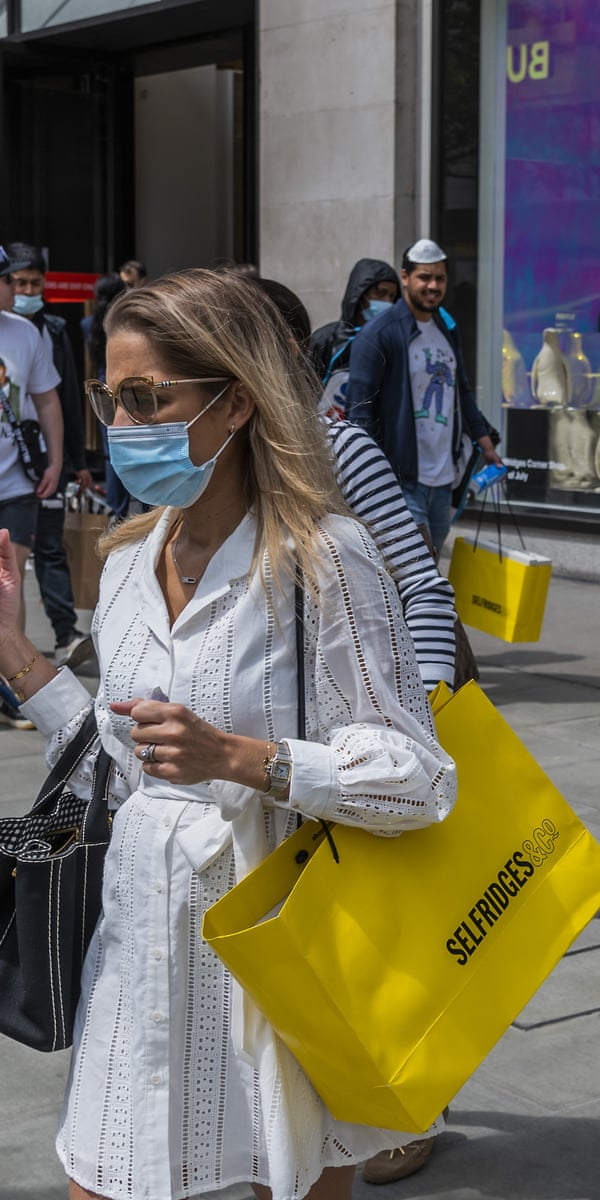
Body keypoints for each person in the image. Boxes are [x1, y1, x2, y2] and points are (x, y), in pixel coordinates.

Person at [0, 268, 456, 1200]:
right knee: (101, 1175)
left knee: (281, 1177)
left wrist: (246, 760)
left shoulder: (327, 559)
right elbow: (117, 760)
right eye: (109, 399)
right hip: (135, 943)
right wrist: (15, 657)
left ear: (236, 401)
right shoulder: (127, 560)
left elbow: (421, 779)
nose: (120, 428)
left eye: (146, 399)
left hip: (271, 953)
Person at [258, 276, 458, 692]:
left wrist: (425, 708)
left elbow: (420, 585)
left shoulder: (441, 332)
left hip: (409, 472)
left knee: (409, 555)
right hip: (397, 467)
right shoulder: (375, 337)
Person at [347, 239, 502, 555]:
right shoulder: (379, 334)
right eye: (424, 278)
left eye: (440, 278)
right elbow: (359, 415)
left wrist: (485, 441)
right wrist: (375, 479)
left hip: (443, 479)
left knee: (430, 567)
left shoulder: (446, 328)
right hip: (400, 481)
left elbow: (461, 391)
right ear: (405, 277)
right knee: (414, 572)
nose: (433, 286)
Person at [7, 242, 94, 667]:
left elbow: (57, 402)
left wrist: (68, 461)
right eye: (14, 282)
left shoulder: (43, 332)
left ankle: (39, 656)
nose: (21, 290)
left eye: (28, 283)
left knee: (28, 563)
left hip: (29, 470)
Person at [0, 244, 63, 728]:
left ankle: (12, 687)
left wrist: (57, 460)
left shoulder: (24, 334)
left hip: (16, 480)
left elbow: (46, 402)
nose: (12, 289)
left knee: (10, 583)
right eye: (7, 280)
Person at [308, 258, 400, 420]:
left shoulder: (393, 343)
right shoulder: (327, 339)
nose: (387, 302)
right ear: (360, 294)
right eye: (380, 293)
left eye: (392, 296)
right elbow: (303, 389)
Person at [83, 272, 132, 520]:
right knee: (133, 440)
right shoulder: (124, 323)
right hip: (126, 384)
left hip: (103, 385)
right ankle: (144, 507)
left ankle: (116, 509)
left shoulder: (88, 324)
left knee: (111, 448)